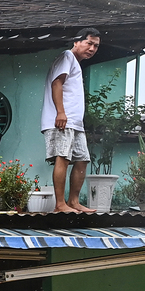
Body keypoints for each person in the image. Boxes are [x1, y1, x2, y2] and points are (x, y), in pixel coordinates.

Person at [41, 28, 101, 213]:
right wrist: (60, 112)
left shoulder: (75, 62)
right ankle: (60, 205)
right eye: (89, 43)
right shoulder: (67, 56)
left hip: (75, 122)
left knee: (82, 159)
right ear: (77, 42)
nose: (92, 48)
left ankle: (73, 202)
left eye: (96, 46)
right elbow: (56, 83)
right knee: (63, 158)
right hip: (62, 120)